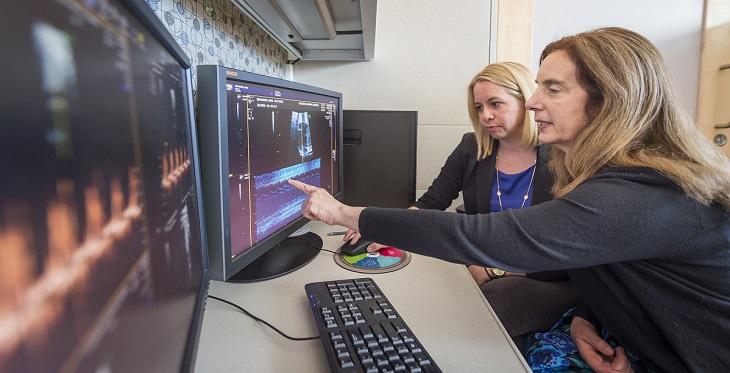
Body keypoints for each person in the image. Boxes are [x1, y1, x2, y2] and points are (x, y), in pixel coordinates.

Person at [289, 26, 730, 372]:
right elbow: (607, 269)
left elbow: (499, 238)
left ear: (610, 101)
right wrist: (589, 320)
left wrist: (346, 212)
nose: (535, 102)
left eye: (553, 89)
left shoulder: (642, 190)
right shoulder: (599, 174)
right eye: (537, 87)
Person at [347, 61, 576, 347]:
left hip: (546, 276)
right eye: (479, 107)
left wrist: (494, 270)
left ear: (526, 100)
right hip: (480, 263)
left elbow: (564, 248)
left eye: (495, 104)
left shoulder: (563, 156)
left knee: (493, 303)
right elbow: (432, 202)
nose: (486, 116)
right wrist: (382, 226)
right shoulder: (472, 147)